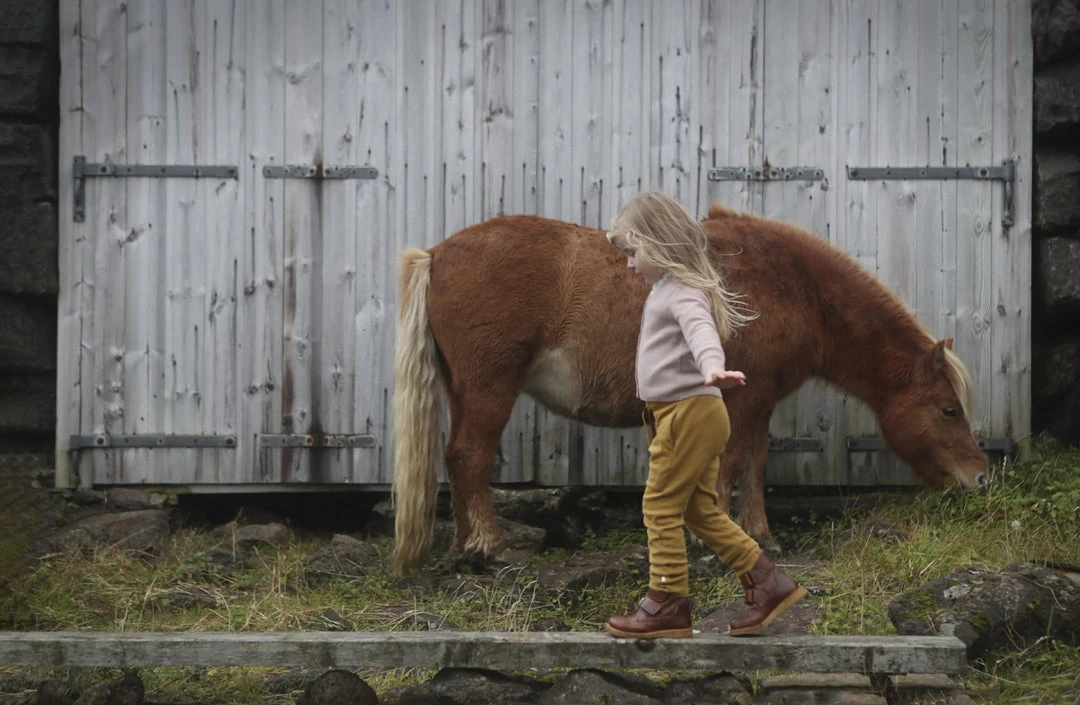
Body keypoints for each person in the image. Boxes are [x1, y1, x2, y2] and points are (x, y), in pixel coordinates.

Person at [604, 191, 805, 638]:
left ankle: (667, 600)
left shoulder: (682, 292)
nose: (629, 264)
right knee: (699, 511)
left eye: (633, 252)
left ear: (658, 243)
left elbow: (700, 332)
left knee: (659, 505)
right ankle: (768, 583)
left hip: (688, 414)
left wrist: (712, 365)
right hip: (687, 415)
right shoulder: (668, 289)